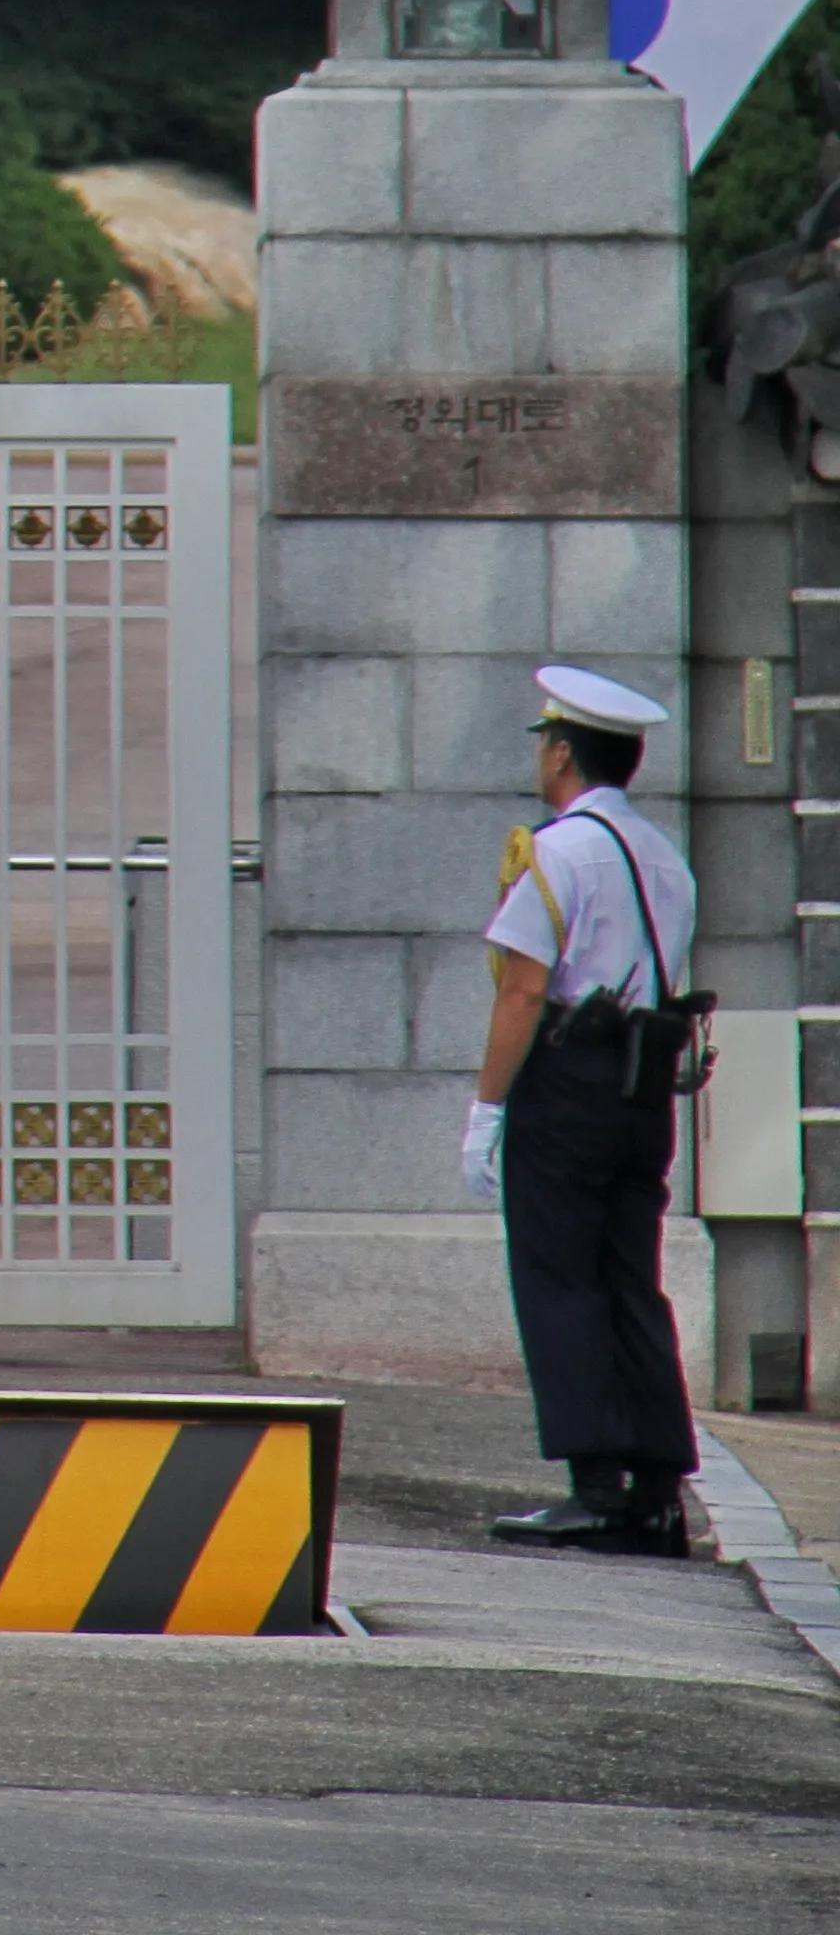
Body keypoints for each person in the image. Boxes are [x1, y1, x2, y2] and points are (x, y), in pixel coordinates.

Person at [466, 665, 706, 1554]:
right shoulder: (663, 856)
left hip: (570, 1080)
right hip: (644, 1081)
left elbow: (525, 992)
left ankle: (595, 1486)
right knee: (629, 1280)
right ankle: (655, 1491)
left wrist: (487, 1110)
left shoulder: (558, 852)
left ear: (562, 752)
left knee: (559, 1277)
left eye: (545, 744)